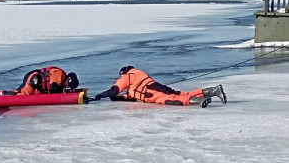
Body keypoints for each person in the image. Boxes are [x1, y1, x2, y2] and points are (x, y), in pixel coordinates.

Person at [94, 65, 227, 108]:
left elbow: (114, 90)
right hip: (156, 86)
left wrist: (101, 95)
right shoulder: (137, 74)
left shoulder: (127, 76)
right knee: (181, 94)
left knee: (174, 100)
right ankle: (213, 91)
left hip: (151, 92)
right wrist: (118, 98)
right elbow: (130, 95)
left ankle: (200, 101)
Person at [0, 66, 80, 96]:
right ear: (68, 79)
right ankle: (4, 96)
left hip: (34, 77)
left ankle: (7, 93)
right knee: (24, 95)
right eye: (68, 85)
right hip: (33, 79)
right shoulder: (60, 74)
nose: (66, 87)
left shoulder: (61, 79)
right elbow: (53, 87)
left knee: (19, 91)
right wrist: (62, 93)